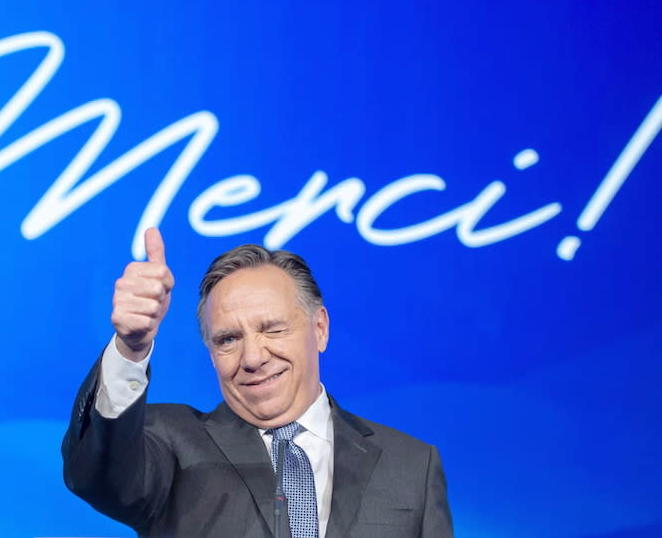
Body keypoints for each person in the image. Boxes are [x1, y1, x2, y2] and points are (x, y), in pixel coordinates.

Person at [62, 228, 454, 538]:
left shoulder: (412, 466)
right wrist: (131, 348)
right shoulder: (168, 447)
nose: (253, 357)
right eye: (228, 339)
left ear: (319, 329)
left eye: (273, 329)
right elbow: (98, 474)